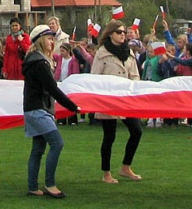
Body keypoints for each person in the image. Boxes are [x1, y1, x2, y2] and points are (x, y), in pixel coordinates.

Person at [23, 25, 80, 197]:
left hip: (35, 108)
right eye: (48, 38)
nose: (52, 41)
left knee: (38, 148)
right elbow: (53, 89)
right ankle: (50, 184)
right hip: (38, 109)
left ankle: (33, 186)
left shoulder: (35, 61)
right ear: (40, 40)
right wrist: (73, 107)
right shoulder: (40, 63)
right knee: (57, 143)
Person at [91, 21, 144, 184]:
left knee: (136, 131)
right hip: (109, 99)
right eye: (119, 32)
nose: (123, 35)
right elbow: (95, 76)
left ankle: (125, 167)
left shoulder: (128, 52)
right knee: (109, 137)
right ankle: (106, 172)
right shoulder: (102, 53)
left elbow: (135, 74)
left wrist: (133, 87)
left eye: (124, 32)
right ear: (111, 34)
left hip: (126, 99)